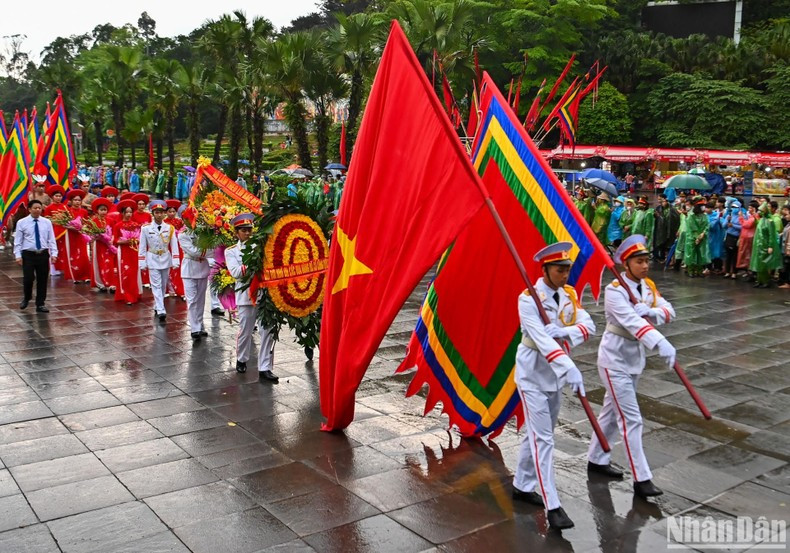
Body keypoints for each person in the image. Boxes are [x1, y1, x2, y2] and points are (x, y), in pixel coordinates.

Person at [512, 242, 594, 530]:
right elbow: (542, 341)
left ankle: (522, 485)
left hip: (554, 376)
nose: (565, 275)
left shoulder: (569, 294)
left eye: (567, 269)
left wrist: (565, 330)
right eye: (560, 270)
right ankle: (553, 506)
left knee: (536, 434)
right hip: (532, 374)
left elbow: (589, 326)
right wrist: (568, 366)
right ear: (545, 270)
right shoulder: (528, 299)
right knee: (544, 439)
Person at [588, 235, 676, 499]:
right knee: (631, 419)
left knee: (610, 412)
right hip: (614, 359)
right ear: (626, 264)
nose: (645, 266)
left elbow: (669, 311)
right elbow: (631, 323)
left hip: (634, 359)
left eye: (647, 260)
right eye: (639, 262)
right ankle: (641, 478)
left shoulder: (648, 287)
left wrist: (651, 312)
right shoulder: (615, 290)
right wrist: (659, 341)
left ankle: (596, 459)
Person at [226, 213, 279, 382]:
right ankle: (242, 358)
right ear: (236, 233)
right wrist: (252, 261)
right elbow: (236, 273)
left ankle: (265, 367)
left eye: (249, 230)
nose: (247, 233)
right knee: (245, 331)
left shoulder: (261, 247)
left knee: (267, 330)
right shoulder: (231, 251)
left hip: (264, 295)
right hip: (246, 296)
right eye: (243, 230)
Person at [138, 200, 180, 321]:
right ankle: (161, 309)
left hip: (165, 258)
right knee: (155, 284)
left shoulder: (170, 228)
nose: (159, 215)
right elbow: (142, 246)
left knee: (163, 284)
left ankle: (158, 304)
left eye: (161, 212)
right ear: (153, 213)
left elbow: (174, 245)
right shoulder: (146, 228)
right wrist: (142, 262)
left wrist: (175, 260)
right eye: (157, 212)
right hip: (152, 258)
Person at [14, 200, 58, 312]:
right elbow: (18, 241)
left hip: (42, 254)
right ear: (29, 209)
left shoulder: (46, 222)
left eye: (39, 208)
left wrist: (54, 253)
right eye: (35, 208)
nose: (38, 210)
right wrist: (18, 255)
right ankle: (27, 297)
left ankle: (40, 303)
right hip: (28, 254)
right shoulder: (22, 222)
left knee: (42, 279)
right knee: (28, 278)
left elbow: (51, 239)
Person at [178, 208, 211, 341]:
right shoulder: (183, 234)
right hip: (189, 269)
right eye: (187, 218)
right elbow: (194, 251)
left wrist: (209, 251)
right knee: (191, 300)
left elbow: (212, 247)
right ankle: (194, 328)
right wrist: (209, 252)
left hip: (202, 268)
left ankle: (200, 324)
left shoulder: (203, 232)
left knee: (201, 300)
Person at [113, 200, 143, 305]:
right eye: (127, 212)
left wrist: (135, 240)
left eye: (130, 212)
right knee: (125, 272)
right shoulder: (118, 225)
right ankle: (126, 295)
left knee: (134, 273)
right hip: (123, 252)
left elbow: (140, 239)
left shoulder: (136, 225)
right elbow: (115, 240)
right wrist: (125, 241)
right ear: (122, 213)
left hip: (134, 251)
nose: (129, 214)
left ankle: (135, 293)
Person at [88, 198, 118, 292]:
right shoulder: (93, 221)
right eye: (101, 210)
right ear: (97, 210)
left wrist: (111, 240)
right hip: (99, 245)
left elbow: (114, 232)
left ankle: (111, 283)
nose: (103, 212)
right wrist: (97, 237)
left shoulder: (111, 220)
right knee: (99, 263)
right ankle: (100, 283)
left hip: (109, 245)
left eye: (105, 210)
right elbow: (90, 234)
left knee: (109, 264)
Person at [750, 202, 782, 289]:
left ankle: (765, 281)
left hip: (765, 245)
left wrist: (770, 246)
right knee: (758, 263)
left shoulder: (770, 221)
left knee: (764, 264)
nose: (759, 212)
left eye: (761, 210)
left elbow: (772, 235)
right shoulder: (761, 220)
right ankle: (759, 281)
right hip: (758, 245)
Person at [64, 189, 92, 283]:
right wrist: (73, 228)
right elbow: (64, 224)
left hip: (81, 235)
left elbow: (87, 223)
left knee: (83, 255)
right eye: (75, 200)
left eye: (79, 200)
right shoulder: (67, 211)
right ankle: (75, 276)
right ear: (71, 201)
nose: (77, 202)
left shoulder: (84, 211)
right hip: (71, 235)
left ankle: (86, 275)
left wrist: (83, 228)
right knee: (73, 255)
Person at [164, 200, 185, 300]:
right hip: (167, 247)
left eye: (173, 211)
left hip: (179, 247)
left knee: (178, 268)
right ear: (166, 212)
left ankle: (180, 289)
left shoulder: (180, 222)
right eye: (170, 211)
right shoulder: (164, 223)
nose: (172, 213)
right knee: (168, 267)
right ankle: (170, 289)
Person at [684, 197, 710, 278]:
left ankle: (699, 270)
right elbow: (692, 227)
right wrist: (697, 237)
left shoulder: (704, 215)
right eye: (702, 205)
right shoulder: (691, 216)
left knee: (701, 254)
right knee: (691, 254)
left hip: (702, 237)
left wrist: (703, 234)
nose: (704, 207)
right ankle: (690, 270)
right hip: (692, 238)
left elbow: (707, 225)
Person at [736, 201, 758, 278]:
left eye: (750, 208)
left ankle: (750, 272)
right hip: (746, 238)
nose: (748, 209)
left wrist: (741, 217)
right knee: (746, 255)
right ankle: (748, 272)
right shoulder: (751, 216)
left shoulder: (755, 216)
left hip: (749, 239)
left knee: (748, 255)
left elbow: (746, 225)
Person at [722, 201, 742, 278]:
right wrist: (727, 220)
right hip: (728, 236)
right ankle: (727, 272)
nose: (734, 209)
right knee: (728, 255)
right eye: (733, 207)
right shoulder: (729, 215)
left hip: (736, 237)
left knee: (735, 255)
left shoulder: (741, 216)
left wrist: (733, 225)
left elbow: (742, 227)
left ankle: (734, 272)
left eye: (736, 207)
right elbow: (723, 226)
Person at [707, 200, 726, 275]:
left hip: (717, 236)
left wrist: (718, 219)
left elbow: (715, 226)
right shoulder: (706, 216)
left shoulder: (717, 215)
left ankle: (717, 268)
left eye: (708, 208)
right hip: (709, 236)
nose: (706, 209)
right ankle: (709, 268)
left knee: (717, 252)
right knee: (709, 252)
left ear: (712, 208)